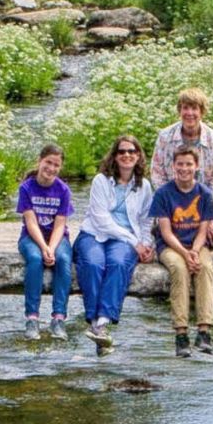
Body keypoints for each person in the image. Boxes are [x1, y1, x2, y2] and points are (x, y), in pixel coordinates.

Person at [77, 135, 156, 353]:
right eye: (122, 152)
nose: (127, 155)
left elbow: (147, 220)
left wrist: (146, 244)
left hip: (126, 240)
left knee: (118, 264)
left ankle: (102, 323)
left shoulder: (144, 186)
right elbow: (101, 220)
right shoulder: (101, 181)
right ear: (114, 156)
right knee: (93, 263)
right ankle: (95, 325)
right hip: (94, 234)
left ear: (138, 156)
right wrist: (135, 242)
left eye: (132, 151)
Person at [150, 147, 213, 358]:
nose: (184, 168)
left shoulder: (205, 194)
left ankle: (204, 331)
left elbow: (203, 229)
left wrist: (195, 252)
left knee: (206, 268)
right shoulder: (163, 194)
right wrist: (185, 253)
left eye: (189, 164)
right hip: (170, 246)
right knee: (179, 269)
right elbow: (166, 232)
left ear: (196, 167)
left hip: (197, 244)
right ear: (173, 166)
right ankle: (181, 333)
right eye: (180, 164)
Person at [17, 144, 75, 341]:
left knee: (64, 259)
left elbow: (60, 225)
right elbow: (31, 222)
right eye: (48, 162)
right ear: (39, 161)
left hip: (57, 238)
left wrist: (51, 248)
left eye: (56, 165)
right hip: (31, 238)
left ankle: (59, 318)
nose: (51, 168)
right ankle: (32, 318)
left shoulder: (63, 190)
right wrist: (43, 248)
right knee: (34, 259)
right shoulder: (26, 188)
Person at [150, 88, 213, 193]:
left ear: (202, 111)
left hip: (203, 203)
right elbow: (157, 175)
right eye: (185, 108)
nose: (189, 113)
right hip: (170, 201)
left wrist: (206, 203)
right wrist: (170, 200)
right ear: (180, 110)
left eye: (194, 108)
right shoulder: (165, 137)